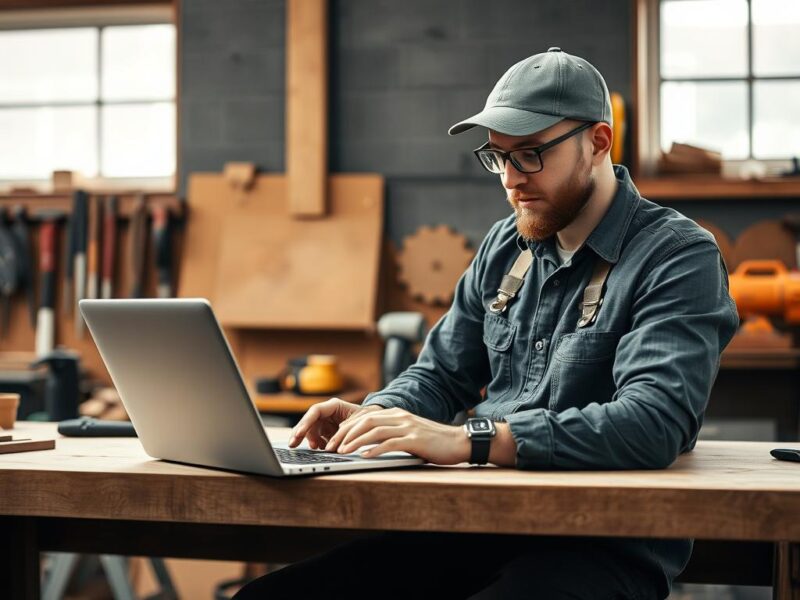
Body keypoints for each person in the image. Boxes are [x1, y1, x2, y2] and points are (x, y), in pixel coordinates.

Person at [234, 47, 739, 600]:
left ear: (597, 143)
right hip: (477, 522)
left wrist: (472, 440)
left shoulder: (677, 256)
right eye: (497, 157)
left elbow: (652, 422)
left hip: (604, 541)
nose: (509, 180)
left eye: (529, 154)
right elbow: (441, 375)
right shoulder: (505, 246)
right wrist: (376, 415)